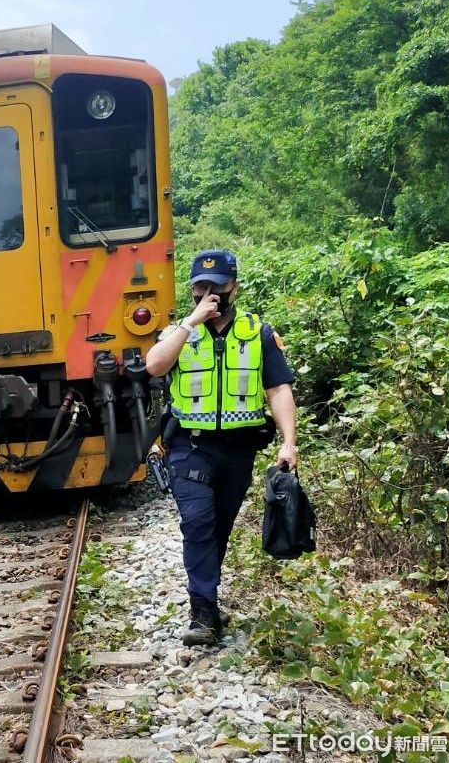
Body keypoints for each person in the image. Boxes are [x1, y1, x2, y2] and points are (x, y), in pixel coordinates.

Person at [145, 249, 298, 647]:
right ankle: (203, 611)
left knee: (220, 526)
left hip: (237, 450)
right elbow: (155, 366)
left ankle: (207, 595)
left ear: (234, 287)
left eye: (217, 285)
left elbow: (278, 388)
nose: (208, 293)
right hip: (189, 447)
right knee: (197, 522)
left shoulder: (257, 332)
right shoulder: (179, 331)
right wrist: (191, 324)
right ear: (192, 290)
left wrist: (289, 442)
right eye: (200, 286)